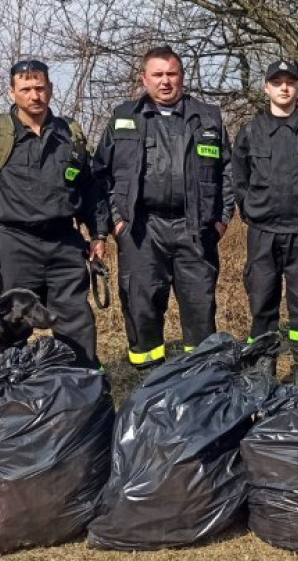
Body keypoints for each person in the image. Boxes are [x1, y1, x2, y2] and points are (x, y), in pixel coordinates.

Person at [0, 59, 106, 365]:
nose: (34, 95)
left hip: (65, 243)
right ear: (12, 93)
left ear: (50, 89)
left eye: (40, 88)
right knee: (11, 326)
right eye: (26, 89)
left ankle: (83, 383)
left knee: (76, 319)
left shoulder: (70, 136)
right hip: (13, 244)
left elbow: (90, 190)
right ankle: (12, 390)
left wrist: (98, 232)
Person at [94, 46, 233, 367]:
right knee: (141, 308)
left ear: (182, 77)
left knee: (200, 306)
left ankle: (200, 379)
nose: (165, 82)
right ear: (144, 78)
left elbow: (229, 172)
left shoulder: (208, 117)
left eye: (172, 74)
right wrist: (115, 222)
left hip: (195, 229)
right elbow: (100, 174)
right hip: (141, 229)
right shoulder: (124, 118)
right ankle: (148, 378)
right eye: (157, 75)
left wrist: (221, 219)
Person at [232, 60, 298, 381]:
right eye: (277, 82)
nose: (284, 88)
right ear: (266, 88)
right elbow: (238, 181)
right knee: (262, 300)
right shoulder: (250, 132)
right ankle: (264, 361)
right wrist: (252, 212)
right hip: (262, 232)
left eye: (290, 82)